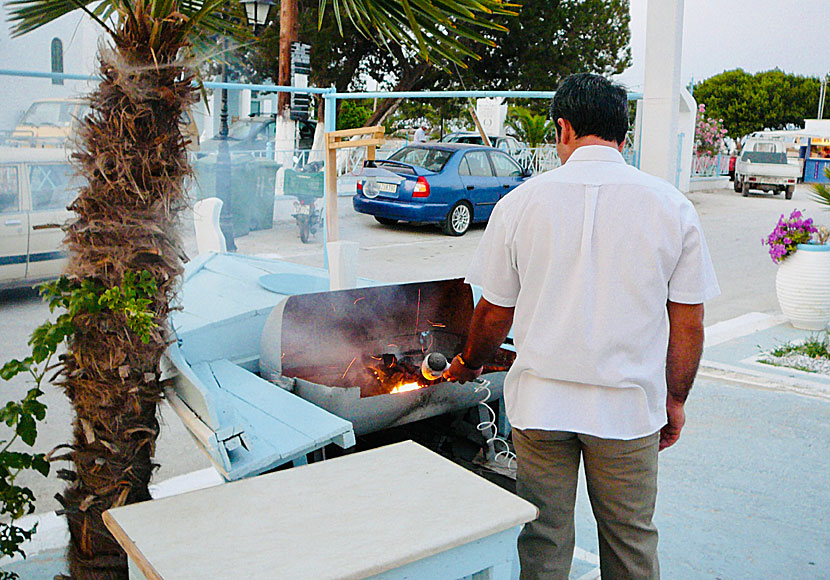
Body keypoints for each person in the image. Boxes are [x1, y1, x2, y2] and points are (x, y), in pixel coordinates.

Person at [443, 73, 720, 580]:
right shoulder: (671, 206)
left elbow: (493, 312)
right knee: (630, 542)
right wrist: (675, 401)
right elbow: (688, 322)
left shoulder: (520, 204)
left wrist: (469, 363)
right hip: (627, 410)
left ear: (563, 128)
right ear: (623, 134)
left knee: (544, 537)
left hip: (540, 407)